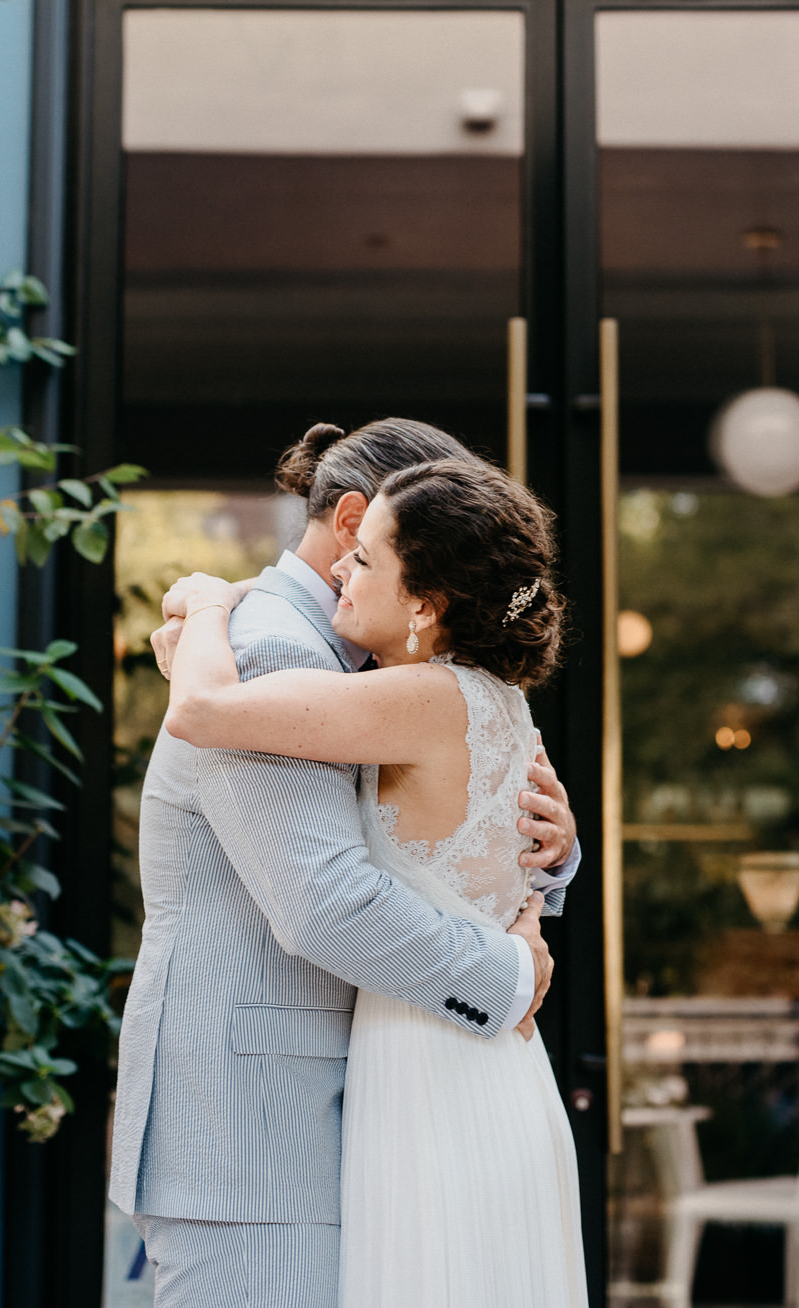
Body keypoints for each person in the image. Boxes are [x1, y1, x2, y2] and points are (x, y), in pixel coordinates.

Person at [110, 420, 582, 1308]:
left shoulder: (396, 673)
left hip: (352, 1103)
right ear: (358, 521)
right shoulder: (275, 648)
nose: (352, 573)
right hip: (259, 1124)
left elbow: (456, 818)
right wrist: (508, 976)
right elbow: (323, 900)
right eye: (359, 554)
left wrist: (553, 851)